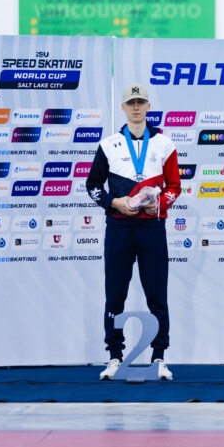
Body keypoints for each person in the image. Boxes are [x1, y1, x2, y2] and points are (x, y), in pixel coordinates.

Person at [87, 83, 181, 380]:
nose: (136, 107)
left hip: (152, 228)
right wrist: (114, 201)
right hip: (119, 227)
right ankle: (114, 356)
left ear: (148, 106)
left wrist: (160, 205)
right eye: (131, 103)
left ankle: (159, 357)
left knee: (157, 294)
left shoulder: (164, 144)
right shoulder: (109, 144)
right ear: (124, 108)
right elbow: (92, 186)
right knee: (115, 294)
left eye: (141, 102)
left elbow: (175, 188)